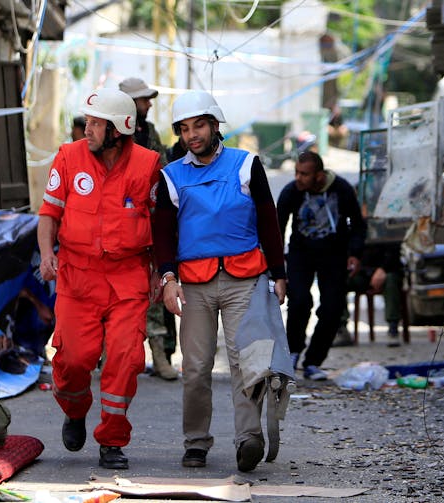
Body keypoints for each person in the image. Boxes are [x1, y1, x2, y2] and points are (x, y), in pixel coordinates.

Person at [153, 90, 287, 472]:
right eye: (184, 129)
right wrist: (168, 278)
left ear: (215, 125)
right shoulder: (172, 175)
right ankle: (195, 442)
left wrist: (278, 272)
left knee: (248, 362)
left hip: (245, 279)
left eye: (198, 125)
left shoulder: (247, 165)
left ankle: (249, 437)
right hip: (194, 283)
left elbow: (268, 219)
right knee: (195, 368)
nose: (191, 134)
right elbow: (162, 233)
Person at [37, 88, 161, 470]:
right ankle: (74, 411)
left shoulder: (148, 164)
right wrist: (46, 255)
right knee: (73, 360)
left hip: (128, 278)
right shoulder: (69, 157)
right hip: (77, 276)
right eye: (86, 122)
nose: (86, 130)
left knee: (125, 359)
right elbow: (49, 212)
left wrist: (160, 272)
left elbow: (160, 223)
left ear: (119, 128)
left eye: (94, 124)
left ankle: (112, 439)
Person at [277, 151, 366, 380]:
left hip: (334, 255)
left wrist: (354, 253)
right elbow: (276, 227)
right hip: (300, 253)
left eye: (304, 174)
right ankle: (294, 351)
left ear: (319, 175)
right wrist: (276, 265)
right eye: (297, 172)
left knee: (332, 308)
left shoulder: (341, 189)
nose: (298, 177)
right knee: (298, 301)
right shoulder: (292, 191)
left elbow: (357, 223)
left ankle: (314, 361)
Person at [118, 76, 176, 380]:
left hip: (149, 220)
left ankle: (160, 355)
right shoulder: (112, 136)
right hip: (118, 226)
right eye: (143, 100)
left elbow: (162, 171)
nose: (148, 104)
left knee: (155, 290)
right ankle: (113, 357)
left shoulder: (149, 132)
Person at [334, 241, 404, 347]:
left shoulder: (388, 229)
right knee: (336, 282)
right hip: (360, 272)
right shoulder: (356, 229)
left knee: (391, 280)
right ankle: (341, 329)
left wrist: (383, 269)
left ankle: (393, 328)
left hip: (387, 270)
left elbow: (396, 252)